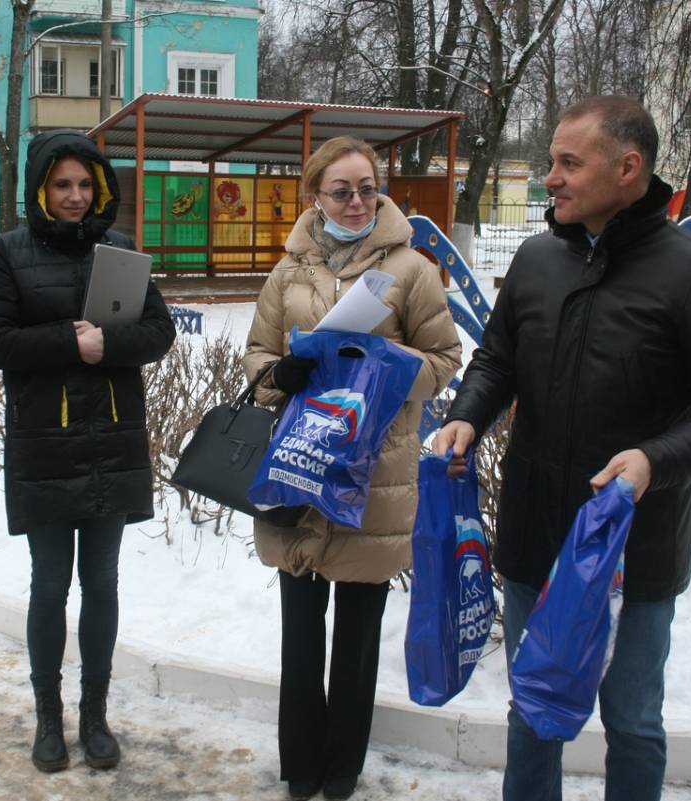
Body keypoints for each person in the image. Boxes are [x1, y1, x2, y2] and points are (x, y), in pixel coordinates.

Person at [433, 96, 691, 801]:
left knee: (633, 720)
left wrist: (654, 459)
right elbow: (497, 359)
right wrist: (469, 414)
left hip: (632, 552)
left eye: (566, 162)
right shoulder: (535, 257)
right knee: (532, 709)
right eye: (551, 161)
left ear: (628, 167)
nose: (549, 178)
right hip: (534, 538)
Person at [244, 136, 462, 801]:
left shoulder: (412, 269)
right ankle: (301, 765)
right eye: (342, 190)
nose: (359, 199)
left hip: (376, 474)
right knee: (301, 632)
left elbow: (445, 360)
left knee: (359, 636)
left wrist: (385, 362)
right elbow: (256, 355)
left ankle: (343, 769)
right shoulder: (288, 271)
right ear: (316, 197)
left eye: (368, 187)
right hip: (300, 468)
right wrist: (279, 373)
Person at [0, 130, 175, 774]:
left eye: (85, 184)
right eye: (62, 184)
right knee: (50, 584)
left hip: (111, 441)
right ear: (40, 188)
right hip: (47, 444)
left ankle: (95, 715)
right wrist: (70, 341)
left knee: (103, 582)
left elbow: (158, 331)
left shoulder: (118, 250)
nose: (75, 196)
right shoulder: (9, 253)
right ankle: (47, 716)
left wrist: (108, 346)